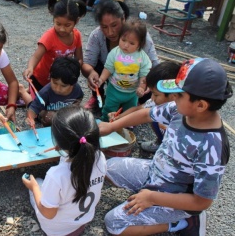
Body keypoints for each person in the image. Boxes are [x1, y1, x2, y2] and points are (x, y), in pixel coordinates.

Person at [99, 58, 233, 235]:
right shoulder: (181, 110)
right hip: (156, 172)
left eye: (178, 95)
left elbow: (202, 202)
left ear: (200, 105)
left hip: (175, 198)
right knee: (107, 166)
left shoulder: (211, 147)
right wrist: (112, 126)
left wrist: (152, 197)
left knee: (114, 223)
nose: (173, 98)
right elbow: (147, 114)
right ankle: (146, 195)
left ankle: (182, 222)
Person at [22, 106, 106, 236]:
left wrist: (33, 188)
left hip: (56, 231)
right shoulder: (100, 158)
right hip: (81, 222)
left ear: (58, 143)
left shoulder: (56, 175)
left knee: (38, 182)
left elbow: (48, 213)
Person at [82, 0, 159, 114]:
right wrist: (92, 73)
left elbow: (155, 66)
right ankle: (98, 95)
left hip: (135, 81)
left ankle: (132, 106)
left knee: (147, 98)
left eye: (114, 25)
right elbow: (87, 62)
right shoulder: (97, 35)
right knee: (96, 69)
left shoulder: (141, 36)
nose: (110, 32)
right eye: (104, 27)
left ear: (123, 18)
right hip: (111, 78)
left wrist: (145, 83)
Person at [108, 61, 180, 154]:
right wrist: (119, 117)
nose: (152, 98)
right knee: (152, 117)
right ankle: (160, 141)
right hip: (165, 135)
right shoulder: (156, 102)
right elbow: (138, 109)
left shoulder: (181, 113)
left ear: (173, 95)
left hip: (176, 148)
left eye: (155, 94)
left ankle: (165, 149)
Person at [22, 0, 86, 92]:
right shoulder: (49, 36)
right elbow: (36, 56)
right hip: (41, 79)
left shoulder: (77, 35)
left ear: (76, 21)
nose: (62, 29)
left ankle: (27, 91)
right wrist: (30, 68)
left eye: (67, 25)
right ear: (53, 19)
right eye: (58, 24)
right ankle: (23, 92)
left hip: (62, 80)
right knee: (39, 101)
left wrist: (74, 69)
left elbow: (79, 58)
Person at [96, 18, 151, 122]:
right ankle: (105, 121)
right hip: (114, 89)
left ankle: (125, 125)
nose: (126, 45)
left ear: (140, 44)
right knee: (109, 107)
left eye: (131, 43)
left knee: (130, 110)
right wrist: (101, 80)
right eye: (123, 40)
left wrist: (141, 87)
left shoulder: (142, 57)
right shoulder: (115, 53)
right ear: (119, 37)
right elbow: (108, 68)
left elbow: (144, 75)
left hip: (132, 92)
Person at [25, 57, 84, 127]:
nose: (58, 88)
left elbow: (79, 97)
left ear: (73, 84)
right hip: (44, 111)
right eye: (54, 83)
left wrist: (74, 106)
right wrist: (30, 119)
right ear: (50, 77)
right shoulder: (45, 92)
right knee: (47, 115)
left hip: (62, 112)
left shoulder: (76, 89)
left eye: (63, 86)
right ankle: (22, 92)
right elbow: (33, 108)